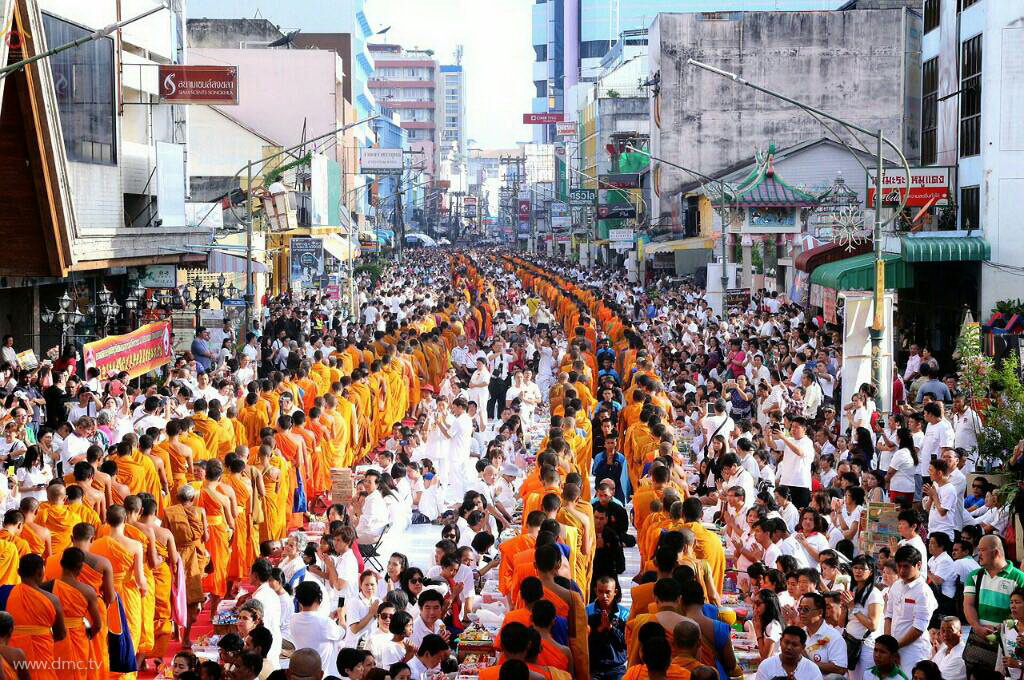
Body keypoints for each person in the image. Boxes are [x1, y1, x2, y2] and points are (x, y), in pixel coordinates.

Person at [883, 545, 937, 675]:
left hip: (914, 651)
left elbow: (918, 628)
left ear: (918, 565)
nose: (901, 570)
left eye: (906, 566)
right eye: (899, 566)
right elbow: (888, 616)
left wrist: (894, 647)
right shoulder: (896, 586)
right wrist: (889, 645)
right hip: (894, 649)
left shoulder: (923, 592)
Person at [289, 581, 344, 677]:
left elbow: (315, 626)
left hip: (302, 671)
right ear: (318, 599)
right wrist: (342, 616)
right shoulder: (324, 622)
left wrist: (330, 619)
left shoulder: (293, 619)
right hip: (322, 674)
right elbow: (343, 633)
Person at [587, 574, 628, 680]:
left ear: (615, 592)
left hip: (617, 668)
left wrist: (611, 628)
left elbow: (627, 642)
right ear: (595, 591)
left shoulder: (624, 614)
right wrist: (600, 629)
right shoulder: (587, 611)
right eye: (600, 592)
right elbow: (582, 641)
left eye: (608, 592)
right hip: (594, 668)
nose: (604, 596)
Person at [754, 625, 824, 680]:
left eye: (794, 644)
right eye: (786, 642)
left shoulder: (812, 670)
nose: (789, 647)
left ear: (803, 647)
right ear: (781, 641)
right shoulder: (766, 666)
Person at [930, 616, 965, 680]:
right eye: (942, 630)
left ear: (960, 632)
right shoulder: (944, 648)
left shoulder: (960, 656)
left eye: (949, 631)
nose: (945, 634)